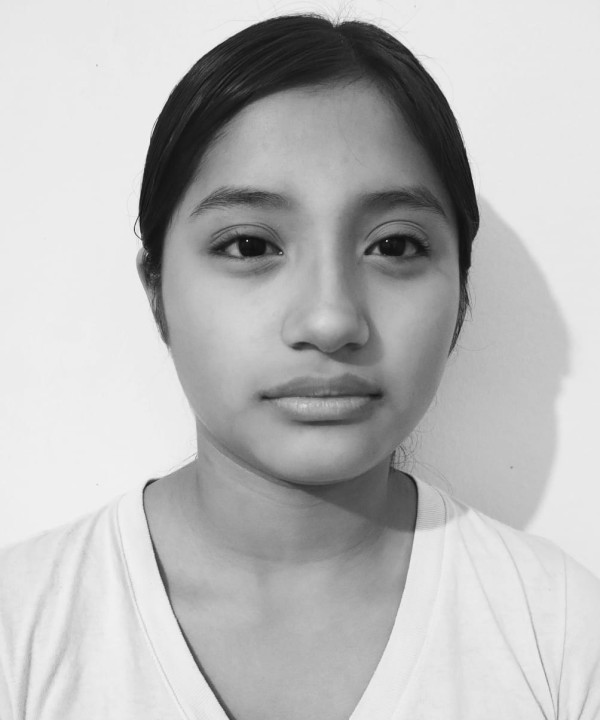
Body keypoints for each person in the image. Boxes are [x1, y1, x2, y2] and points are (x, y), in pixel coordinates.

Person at [1, 13, 599, 720]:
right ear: (157, 289)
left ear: (462, 292)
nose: (331, 320)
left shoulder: (563, 634)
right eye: (250, 246)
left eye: (395, 246)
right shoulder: (22, 628)